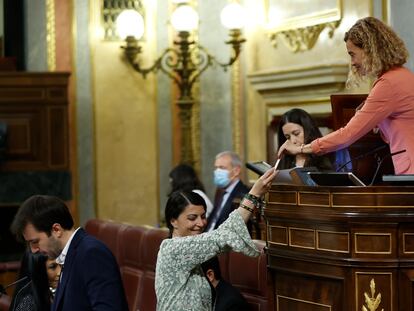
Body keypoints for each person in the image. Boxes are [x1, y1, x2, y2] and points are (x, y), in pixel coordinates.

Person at [277, 17, 414, 175]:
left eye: (352, 54)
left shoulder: (388, 84)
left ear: (370, 50)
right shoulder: (403, 76)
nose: (353, 63)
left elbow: (347, 135)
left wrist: (301, 148)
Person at [155, 167, 276, 311]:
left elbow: (223, 237)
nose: (200, 223)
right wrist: (254, 194)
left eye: (203, 216)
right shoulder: (172, 249)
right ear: (173, 221)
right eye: (192, 218)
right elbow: (221, 237)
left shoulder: (193, 254)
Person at [10, 195, 128, 311]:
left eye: (35, 241)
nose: (33, 250)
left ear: (56, 230)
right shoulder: (70, 255)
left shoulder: (91, 253)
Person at [206, 151, 249, 231]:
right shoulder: (220, 192)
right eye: (216, 167)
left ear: (236, 171)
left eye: (222, 168)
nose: (217, 171)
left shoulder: (243, 194)